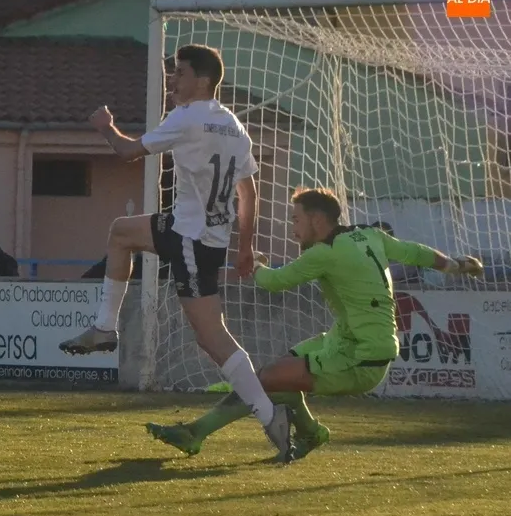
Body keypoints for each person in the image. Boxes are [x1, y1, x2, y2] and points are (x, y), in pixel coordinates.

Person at [57, 43, 294, 462]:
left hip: (191, 240)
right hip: (199, 233)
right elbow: (248, 192)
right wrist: (245, 246)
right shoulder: (233, 125)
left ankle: (271, 414)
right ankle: (104, 328)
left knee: (213, 338)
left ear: (202, 80)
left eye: (180, 72)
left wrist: (105, 126)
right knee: (121, 232)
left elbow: (127, 152)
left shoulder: (188, 117)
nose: (172, 79)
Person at [148, 187, 483, 460]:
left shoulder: (324, 253)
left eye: (296, 219)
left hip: (362, 358)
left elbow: (275, 282)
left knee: (267, 378)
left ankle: (195, 433)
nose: (292, 228)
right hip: (344, 341)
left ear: (318, 220)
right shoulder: (369, 234)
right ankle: (310, 432)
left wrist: (256, 264)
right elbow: (417, 253)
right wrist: (456, 265)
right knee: (278, 374)